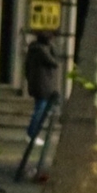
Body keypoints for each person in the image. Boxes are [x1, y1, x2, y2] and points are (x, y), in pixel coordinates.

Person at [17, 30, 62, 182]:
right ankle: (32, 133)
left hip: (37, 84)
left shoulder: (33, 49)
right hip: (43, 85)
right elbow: (54, 62)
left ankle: (32, 133)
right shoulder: (42, 50)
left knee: (40, 108)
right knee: (40, 109)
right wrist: (53, 48)